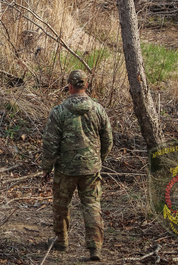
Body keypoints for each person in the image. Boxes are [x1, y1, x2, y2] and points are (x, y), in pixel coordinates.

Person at [41, 70, 113, 261]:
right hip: (91, 169)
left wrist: (46, 167)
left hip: (66, 169)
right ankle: (95, 247)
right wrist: (99, 160)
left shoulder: (59, 111)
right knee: (91, 204)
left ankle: (61, 241)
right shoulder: (98, 110)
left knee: (61, 205)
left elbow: (50, 144)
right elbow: (108, 140)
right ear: (86, 86)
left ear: (69, 86)